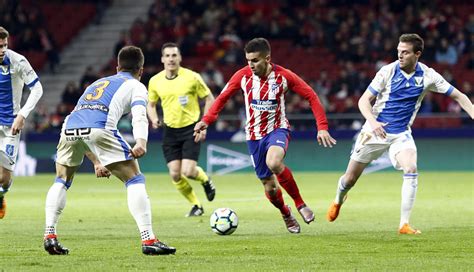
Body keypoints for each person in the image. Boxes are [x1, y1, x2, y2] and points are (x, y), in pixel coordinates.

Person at [326, 33, 474, 234]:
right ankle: (338, 200)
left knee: (411, 168)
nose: (400, 56)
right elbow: (363, 101)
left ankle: (403, 224)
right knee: (350, 179)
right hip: (373, 131)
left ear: (417, 54)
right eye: (398, 51)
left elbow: (459, 96)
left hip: (401, 134)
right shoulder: (387, 71)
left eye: (405, 52)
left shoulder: (428, 76)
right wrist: (373, 122)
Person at [194, 38, 336, 234]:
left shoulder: (283, 76)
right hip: (253, 136)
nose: (250, 65)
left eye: (255, 60)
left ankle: (300, 204)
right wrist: (206, 120)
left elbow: (311, 95)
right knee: (269, 187)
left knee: (274, 162)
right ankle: (286, 214)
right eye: (248, 61)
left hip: (277, 129)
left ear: (267, 58)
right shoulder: (242, 76)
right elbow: (222, 98)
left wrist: (322, 127)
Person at [43, 46, 176, 255]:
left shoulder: (97, 83)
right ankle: (148, 239)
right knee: (134, 178)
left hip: (69, 128)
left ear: (117, 67)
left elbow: (81, 124)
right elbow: (140, 114)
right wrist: (141, 141)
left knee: (61, 179)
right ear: (141, 70)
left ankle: (50, 235)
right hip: (100, 127)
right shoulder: (136, 85)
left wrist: (97, 161)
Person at [147, 43, 216, 217]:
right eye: (167, 56)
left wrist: (204, 123)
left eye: (174, 55)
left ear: (180, 58)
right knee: (175, 174)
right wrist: (154, 118)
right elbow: (151, 104)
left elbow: (209, 98)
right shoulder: (155, 81)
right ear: (162, 59)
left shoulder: (192, 77)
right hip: (170, 131)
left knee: (188, 171)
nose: (171, 59)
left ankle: (205, 180)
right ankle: (197, 205)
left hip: (190, 129)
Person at [0, 26, 44, 219]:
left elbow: (37, 89)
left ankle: (1, 195)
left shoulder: (18, 61)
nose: (2, 50)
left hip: (11, 126)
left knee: (4, 179)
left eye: (4, 45)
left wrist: (23, 115)